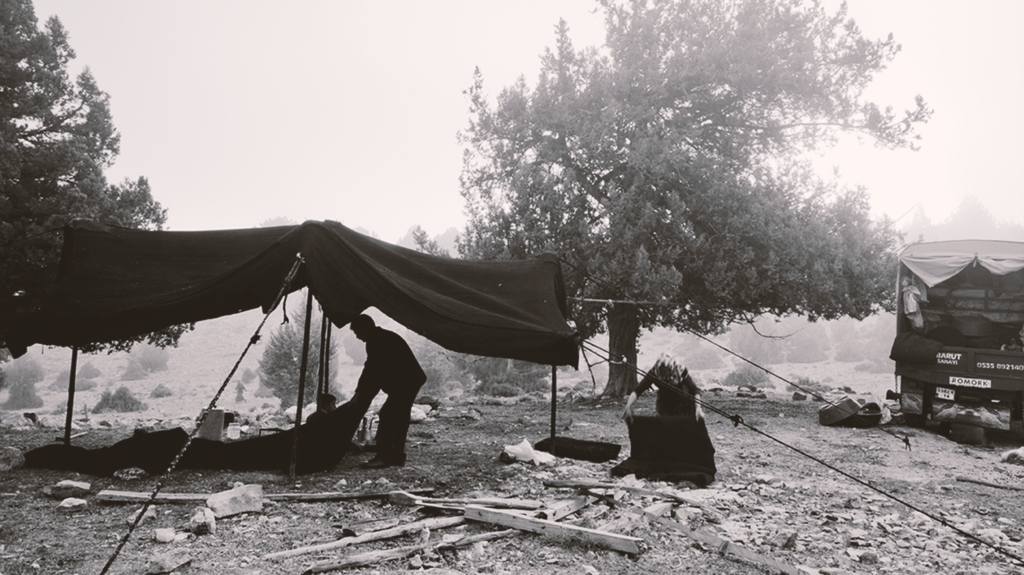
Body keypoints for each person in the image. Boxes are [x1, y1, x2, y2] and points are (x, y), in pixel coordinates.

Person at [344, 314, 427, 468]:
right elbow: (374, 371)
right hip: (410, 380)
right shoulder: (380, 337)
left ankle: (384, 457)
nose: (357, 337)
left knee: (388, 415)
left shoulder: (377, 340)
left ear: (365, 327)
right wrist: (361, 392)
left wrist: (358, 393)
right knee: (400, 417)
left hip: (407, 381)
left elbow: (370, 370)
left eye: (357, 332)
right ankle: (396, 457)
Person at [621, 356, 704, 423]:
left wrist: (698, 408)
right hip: (665, 403)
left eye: (667, 370)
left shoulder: (681, 370)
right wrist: (628, 406)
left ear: (672, 368)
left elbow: (695, 390)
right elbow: (638, 389)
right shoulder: (654, 372)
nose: (665, 374)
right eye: (662, 371)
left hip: (684, 403)